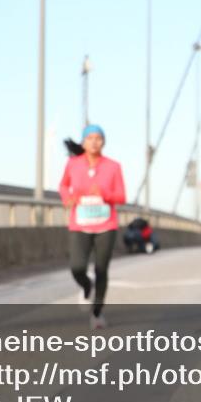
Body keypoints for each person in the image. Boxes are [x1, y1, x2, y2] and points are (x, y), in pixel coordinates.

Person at [59, 124, 126, 330]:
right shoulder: (73, 164)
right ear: (83, 142)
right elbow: (63, 186)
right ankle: (86, 286)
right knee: (77, 267)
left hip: (106, 225)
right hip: (80, 224)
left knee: (101, 269)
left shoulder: (113, 166)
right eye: (90, 138)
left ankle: (97, 313)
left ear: (103, 142)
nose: (94, 142)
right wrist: (68, 198)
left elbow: (122, 196)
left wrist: (104, 195)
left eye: (98, 138)